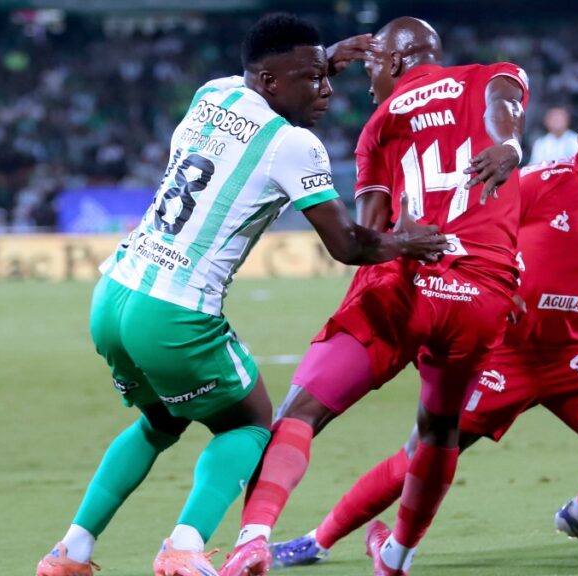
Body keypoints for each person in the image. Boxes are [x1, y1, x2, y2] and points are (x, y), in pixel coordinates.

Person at [35, 14, 447, 576]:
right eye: (313, 79)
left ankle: (71, 550)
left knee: (160, 422)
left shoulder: (214, 94)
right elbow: (348, 245)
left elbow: (262, 75)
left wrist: (321, 60)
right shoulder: (292, 144)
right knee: (251, 422)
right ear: (272, 81)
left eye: (324, 76)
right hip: (175, 312)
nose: (326, 91)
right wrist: (408, 241)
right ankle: (183, 545)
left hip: (115, 293)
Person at [268, 96, 578, 568]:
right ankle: (317, 540)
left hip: (571, 354)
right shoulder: (538, 183)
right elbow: (461, 231)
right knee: (423, 453)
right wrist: (494, 286)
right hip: (500, 352)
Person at [219, 16, 528, 576]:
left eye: (371, 70)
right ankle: (396, 558)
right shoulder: (489, 75)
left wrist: (403, 243)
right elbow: (503, 104)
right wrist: (508, 144)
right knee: (439, 431)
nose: (367, 85)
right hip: (484, 297)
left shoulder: (379, 126)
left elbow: (368, 236)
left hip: (407, 285)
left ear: (393, 62)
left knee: (301, 411)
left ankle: (254, 538)